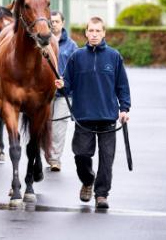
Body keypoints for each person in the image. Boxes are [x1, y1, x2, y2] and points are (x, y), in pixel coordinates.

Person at [55, 16, 131, 209]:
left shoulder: (114, 57)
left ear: (104, 33)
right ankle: (88, 180)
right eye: (91, 30)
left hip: (107, 117)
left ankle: (101, 194)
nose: (94, 34)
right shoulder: (77, 57)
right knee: (81, 155)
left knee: (106, 159)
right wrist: (62, 85)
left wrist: (124, 109)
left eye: (98, 31)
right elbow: (68, 85)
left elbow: (122, 86)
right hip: (84, 117)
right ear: (86, 33)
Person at [46, 10, 78, 172]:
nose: (54, 24)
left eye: (57, 21)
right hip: (44, 94)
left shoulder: (72, 46)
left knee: (59, 127)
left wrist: (68, 84)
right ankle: (46, 154)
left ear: (62, 23)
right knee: (44, 126)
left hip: (63, 94)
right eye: (51, 21)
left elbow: (77, 70)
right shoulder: (42, 43)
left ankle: (55, 159)